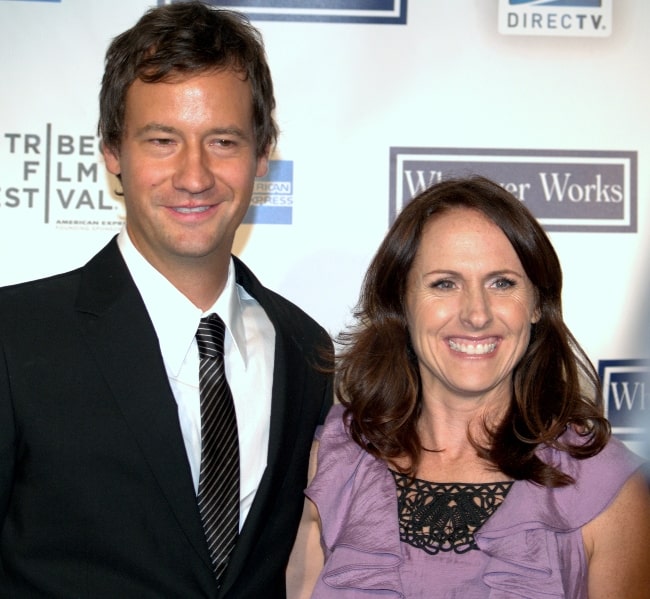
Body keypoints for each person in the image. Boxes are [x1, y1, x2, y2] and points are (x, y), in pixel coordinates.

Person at [0, 2, 332, 597]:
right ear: (111, 152)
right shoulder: (13, 337)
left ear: (262, 155)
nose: (195, 174)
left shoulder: (306, 350)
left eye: (223, 141)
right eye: (162, 140)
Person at [287, 176, 650, 598]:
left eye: (502, 283)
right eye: (445, 283)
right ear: (401, 302)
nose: (476, 314)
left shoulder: (609, 487)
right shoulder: (331, 465)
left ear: (536, 304)